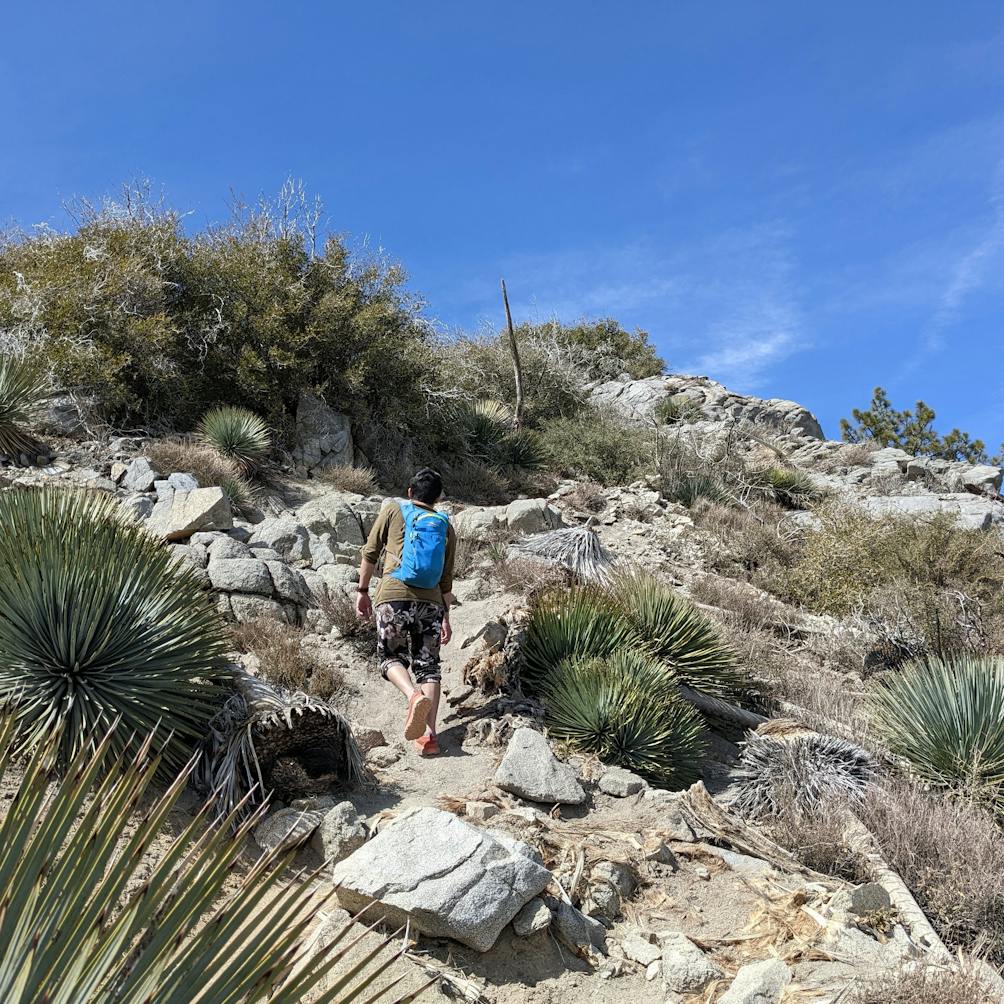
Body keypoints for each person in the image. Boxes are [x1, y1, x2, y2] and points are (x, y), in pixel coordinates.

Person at [355, 467, 456, 756]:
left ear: (410, 493)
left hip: (393, 596)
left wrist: (362, 592)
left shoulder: (392, 509)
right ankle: (429, 737)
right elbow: (446, 579)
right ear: (438, 497)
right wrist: (446, 617)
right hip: (432, 602)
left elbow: (370, 552)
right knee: (429, 665)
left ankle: (412, 695)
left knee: (390, 657)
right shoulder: (445, 525)